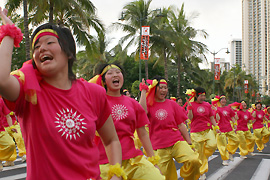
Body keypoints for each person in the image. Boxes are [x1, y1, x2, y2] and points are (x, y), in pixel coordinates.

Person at [0, 8, 122, 180]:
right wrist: (9, 33)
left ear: (69, 53)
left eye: (49, 43)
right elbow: (2, 80)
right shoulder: (28, 91)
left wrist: (115, 174)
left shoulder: (94, 93)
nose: (41, 48)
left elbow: (111, 140)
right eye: (36, 47)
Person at [90, 64, 164, 180]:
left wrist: (153, 161)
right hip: (105, 162)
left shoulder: (133, 104)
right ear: (103, 81)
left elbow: (143, 134)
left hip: (132, 160)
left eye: (118, 72)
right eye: (110, 73)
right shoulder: (96, 102)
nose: (115, 75)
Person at [140, 76, 201, 180]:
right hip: (159, 146)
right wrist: (143, 91)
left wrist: (189, 142)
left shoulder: (172, 104)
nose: (164, 90)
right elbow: (141, 112)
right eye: (161, 87)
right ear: (155, 89)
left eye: (165, 88)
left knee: (194, 160)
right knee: (162, 176)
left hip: (176, 142)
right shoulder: (149, 104)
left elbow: (181, 125)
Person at [186, 87, 220, 180]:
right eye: (201, 95)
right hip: (196, 132)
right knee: (199, 154)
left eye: (204, 95)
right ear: (196, 96)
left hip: (207, 130)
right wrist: (189, 108)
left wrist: (216, 127)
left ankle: (205, 156)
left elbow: (211, 117)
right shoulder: (191, 104)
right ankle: (202, 173)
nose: (203, 97)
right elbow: (190, 118)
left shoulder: (207, 105)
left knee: (213, 145)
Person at [211, 95, 239, 166]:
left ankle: (230, 152)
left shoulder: (228, 108)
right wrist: (216, 111)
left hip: (229, 128)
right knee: (222, 145)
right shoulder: (216, 109)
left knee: (236, 140)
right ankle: (225, 159)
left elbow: (232, 117)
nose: (223, 101)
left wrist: (235, 124)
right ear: (219, 101)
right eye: (222, 99)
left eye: (225, 99)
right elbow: (217, 119)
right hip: (221, 129)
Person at [0, 98, 16, 171]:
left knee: (11, 145)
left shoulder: (1, 101)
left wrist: (11, 127)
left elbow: (7, 116)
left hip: (1, 130)